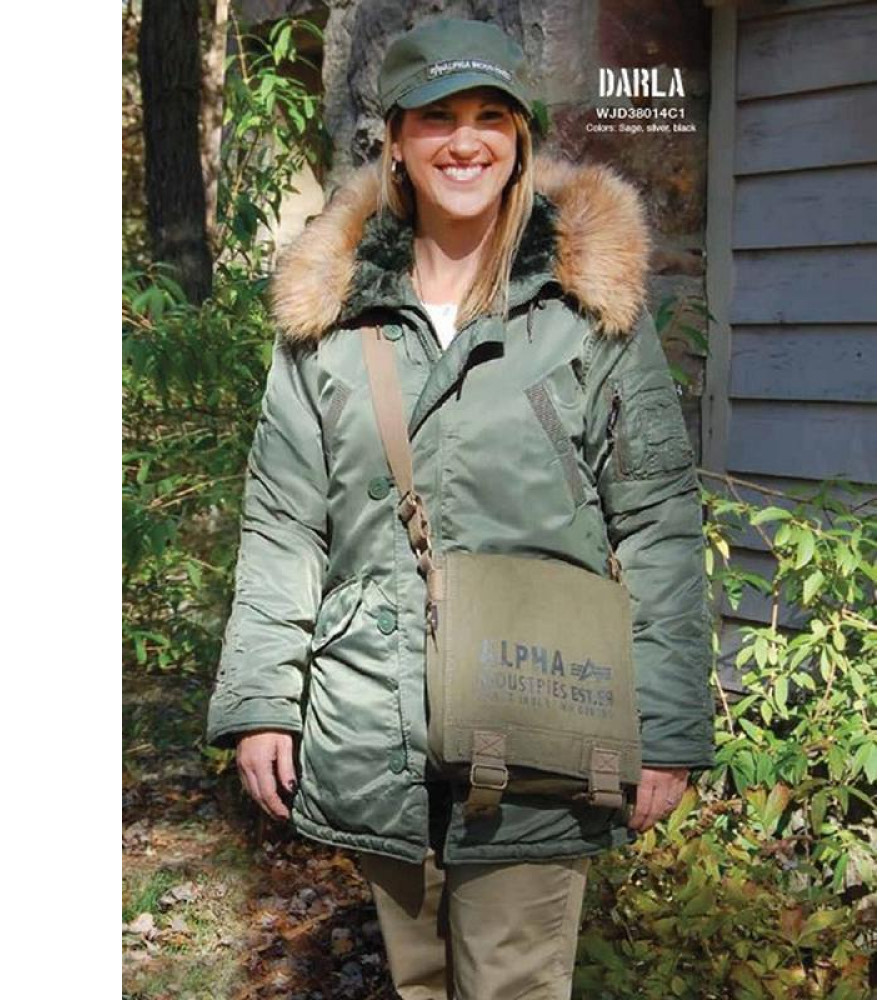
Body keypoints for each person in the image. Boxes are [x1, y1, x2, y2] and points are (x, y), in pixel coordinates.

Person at [207, 16, 714, 1000]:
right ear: (394, 139)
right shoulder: (330, 314)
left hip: (541, 711)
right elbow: (283, 523)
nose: (465, 141)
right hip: (372, 712)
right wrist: (264, 701)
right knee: (420, 983)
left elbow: (655, 521)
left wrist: (667, 723)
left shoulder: (585, 308)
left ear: (521, 136)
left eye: (490, 115)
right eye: (437, 116)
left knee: (513, 983)